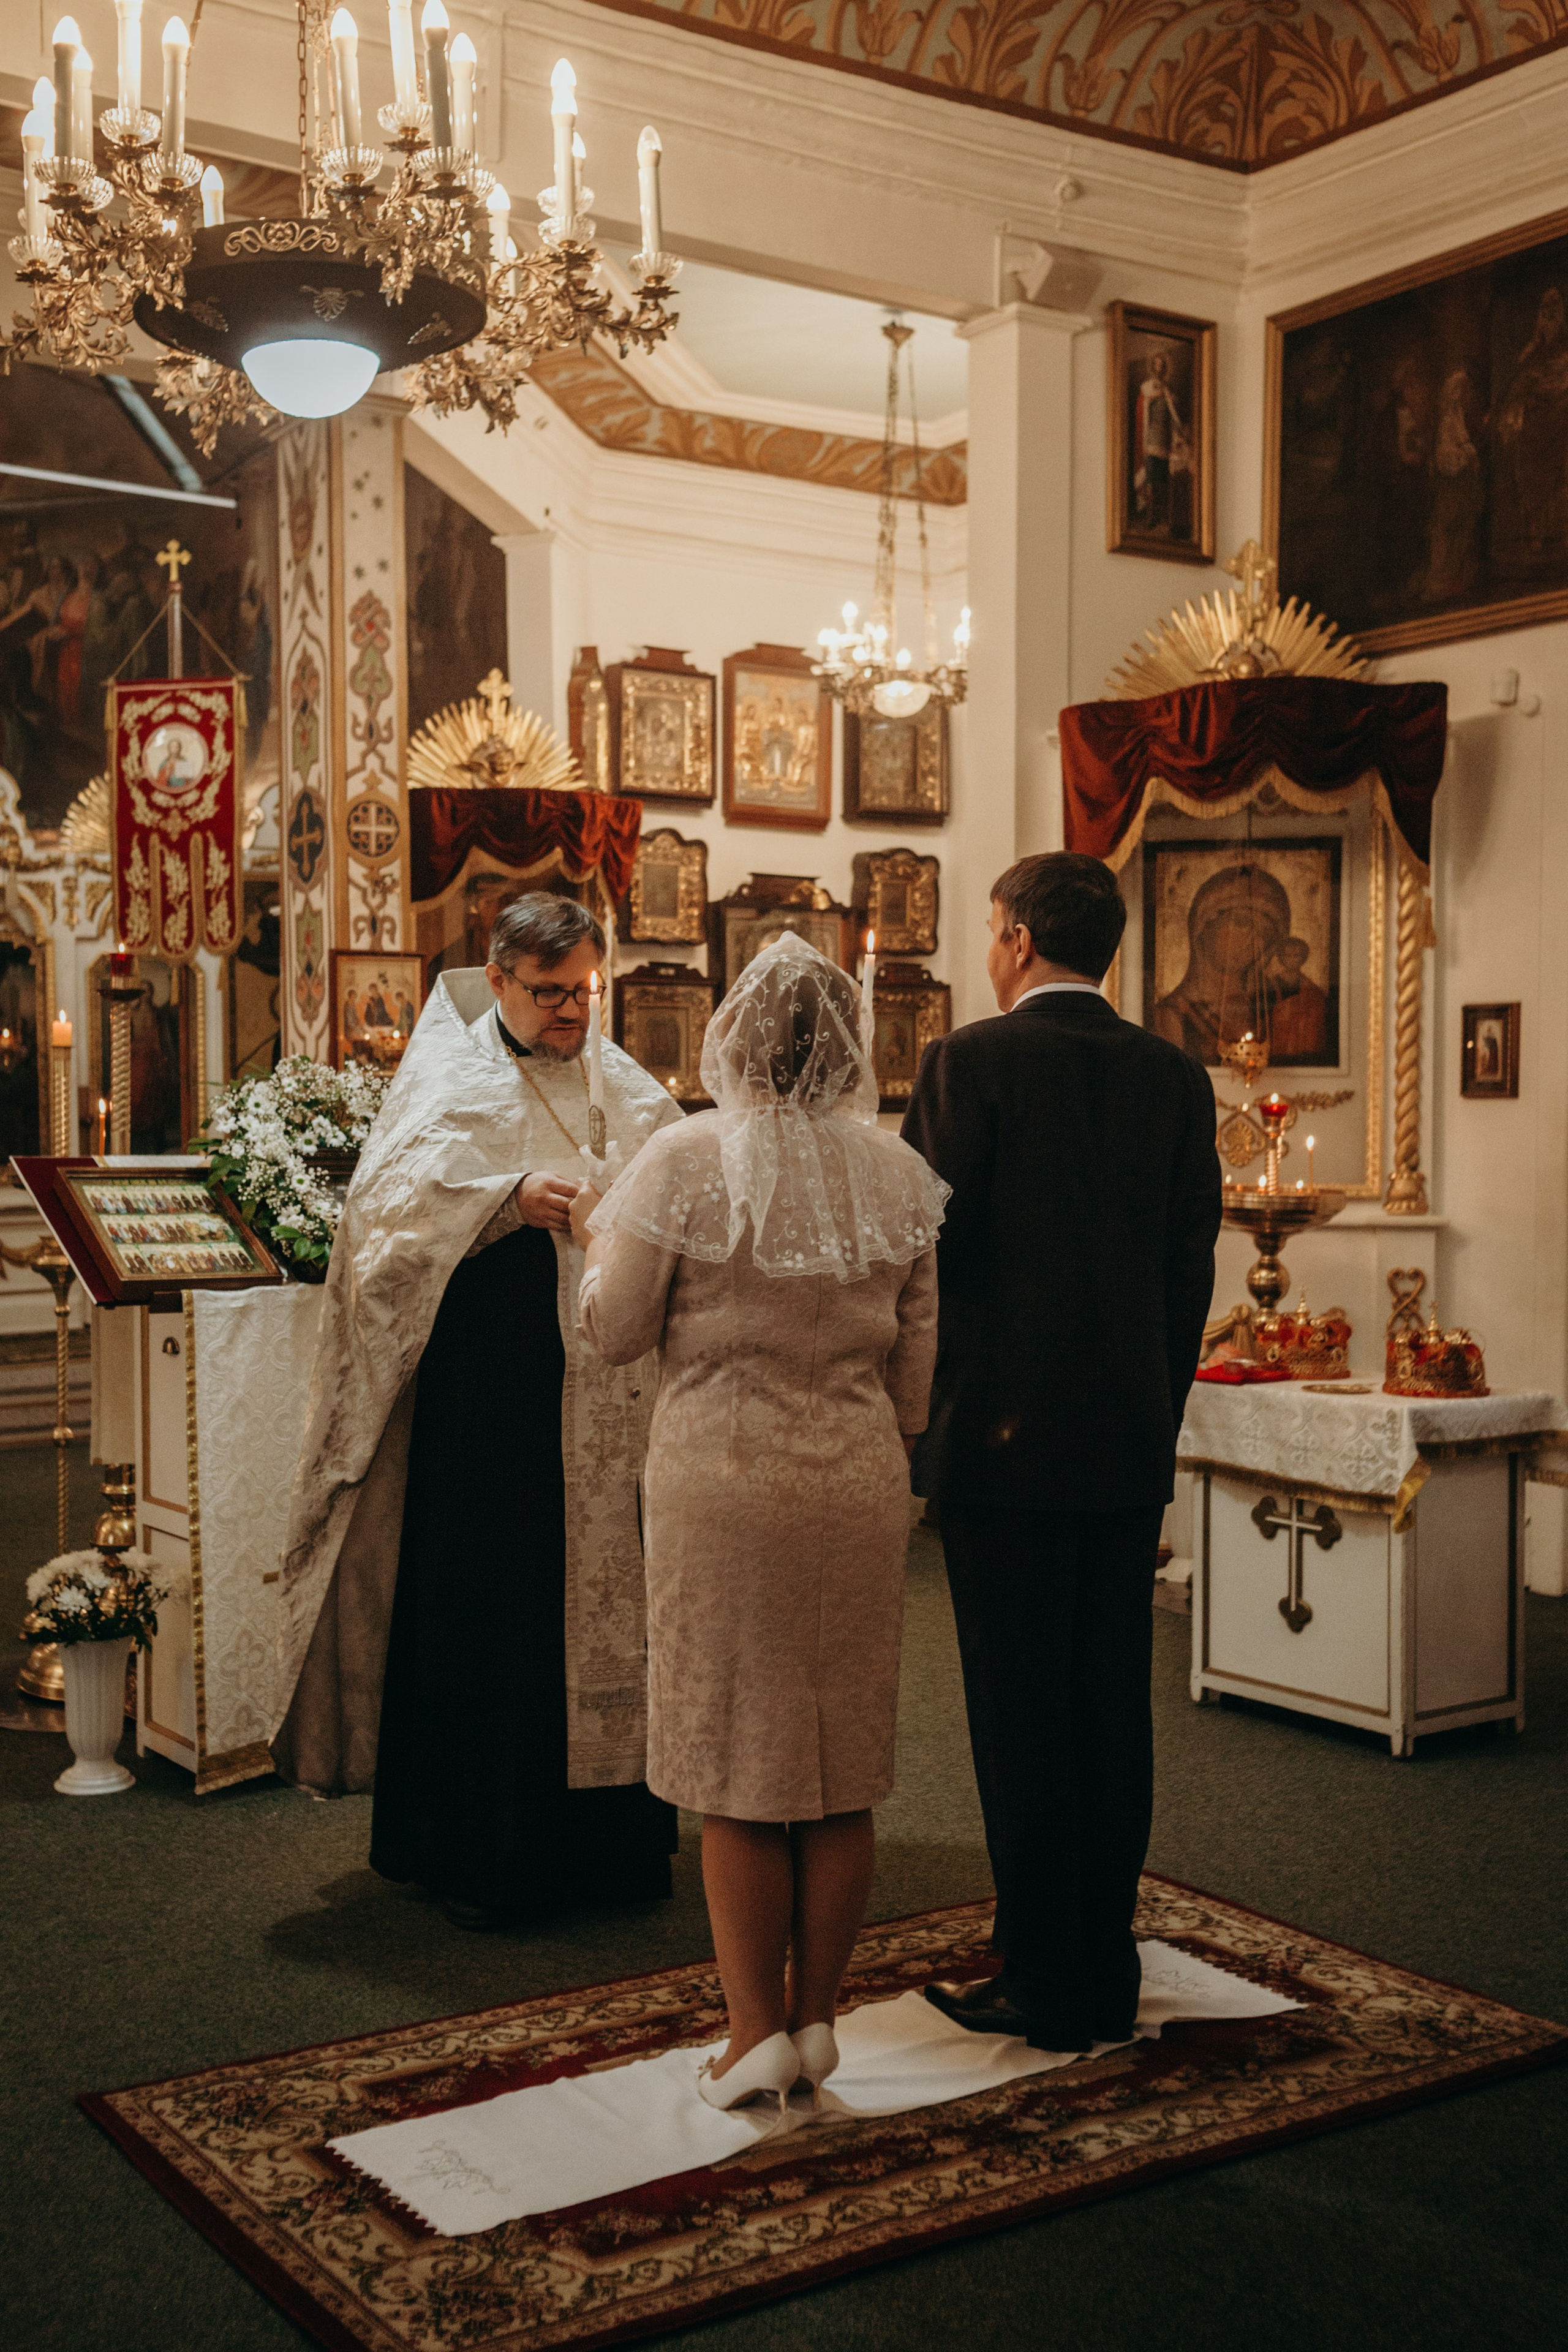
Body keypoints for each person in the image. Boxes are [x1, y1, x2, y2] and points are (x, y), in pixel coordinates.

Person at [573, 935, 946, 2115]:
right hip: (857, 1484)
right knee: (837, 1764)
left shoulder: (685, 1158)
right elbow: (919, 1382)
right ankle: (819, 2019)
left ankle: (750, 2038)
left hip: (723, 1487)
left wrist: (593, 1241)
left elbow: (615, 1331)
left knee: (737, 1764)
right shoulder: (899, 1172)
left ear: (729, 1037)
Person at [271, 894, 684, 1928]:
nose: (571, 1012)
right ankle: (481, 1853)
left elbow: (683, 1184)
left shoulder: (623, 1081)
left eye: (585, 990)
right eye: (549, 993)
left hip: (611, 1406)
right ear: (496, 980)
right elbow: (382, 1239)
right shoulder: (447, 1084)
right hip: (491, 1411)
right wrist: (504, 1201)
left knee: (613, 1613)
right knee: (496, 1616)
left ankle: (613, 1852)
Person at [902, 853, 1221, 2052]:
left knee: (1019, 1710)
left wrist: (921, 1414)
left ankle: (1044, 1973)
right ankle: (1105, 1958)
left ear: (1020, 939)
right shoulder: (1172, 1074)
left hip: (1002, 1445)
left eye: (992, 929)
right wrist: (1154, 1410)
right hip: (1126, 1436)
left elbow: (922, 1255)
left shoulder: (968, 1062)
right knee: (1108, 1704)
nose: (990, 949)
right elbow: (1187, 1267)